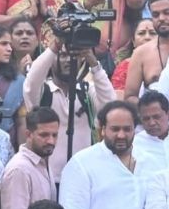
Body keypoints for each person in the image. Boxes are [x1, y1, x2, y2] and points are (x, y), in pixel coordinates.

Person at [22, 30, 115, 184]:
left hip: (84, 179)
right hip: (48, 179)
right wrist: (54, 46)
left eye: (74, 55)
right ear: (51, 59)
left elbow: (110, 107)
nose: (68, 60)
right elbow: (31, 82)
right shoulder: (43, 92)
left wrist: (92, 61)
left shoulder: (87, 90)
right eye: (62, 55)